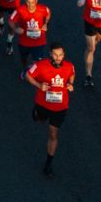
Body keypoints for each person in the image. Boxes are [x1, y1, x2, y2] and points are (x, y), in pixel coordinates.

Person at [26, 43, 76, 175]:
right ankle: (37, 113)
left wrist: (70, 84)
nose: (58, 57)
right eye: (55, 54)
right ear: (50, 54)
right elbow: (28, 76)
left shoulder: (69, 66)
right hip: (43, 104)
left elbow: (72, 74)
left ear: (64, 55)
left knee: (53, 134)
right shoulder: (40, 65)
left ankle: (48, 164)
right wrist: (38, 84)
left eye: (61, 55)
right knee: (41, 120)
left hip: (60, 107)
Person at [10, 0, 52, 70]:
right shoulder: (19, 10)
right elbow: (11, 21)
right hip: (24, 42)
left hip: (39, 42)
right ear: (25, 1)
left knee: (37, 62)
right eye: (28, 2)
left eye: (32, 2)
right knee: (23, 58)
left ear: (36, 1)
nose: (31, 5)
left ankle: (33, 73)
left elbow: (48, 13)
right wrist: (15, 29)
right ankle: (25, 68)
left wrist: (46, 23)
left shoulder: (43, 9)